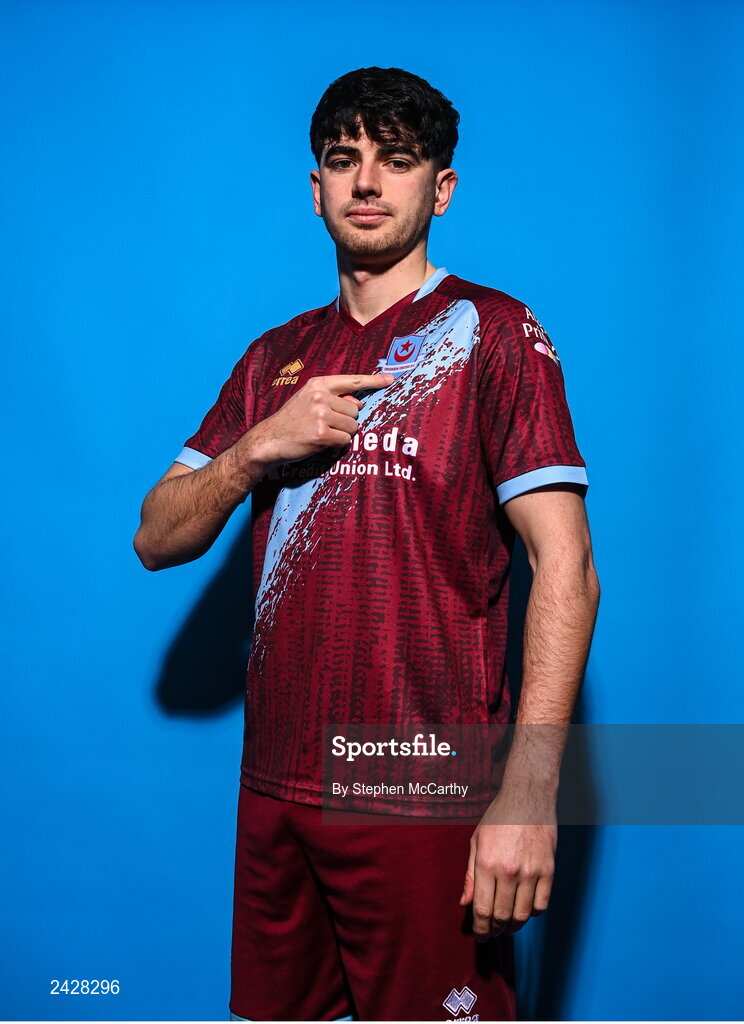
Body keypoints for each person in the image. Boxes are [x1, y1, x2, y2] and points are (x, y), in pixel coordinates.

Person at [134, 66, 600, 1023]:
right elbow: (155, 535)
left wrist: (529, 793)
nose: (367, 183)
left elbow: (569, 568)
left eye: (397, 160)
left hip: (419, 787)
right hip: (276, 786)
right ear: (316, 189)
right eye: (343, 162)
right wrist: (260, 446)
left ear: (442, 188)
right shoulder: (274, 358)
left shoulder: (494, 335)